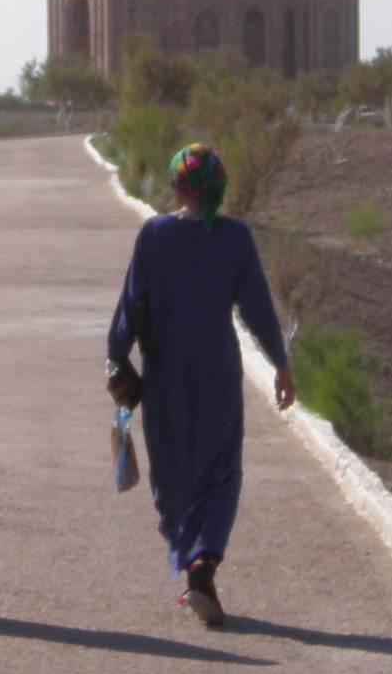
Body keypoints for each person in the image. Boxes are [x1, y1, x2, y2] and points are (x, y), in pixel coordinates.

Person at [106, 143, 294, 628]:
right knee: (220, 469)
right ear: (218, 189)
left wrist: (115, 357)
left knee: (172, 469)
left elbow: (131, 302)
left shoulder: (155, 234)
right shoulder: (235, 238)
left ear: (176, 186)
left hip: (166, 371)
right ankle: (202, 561)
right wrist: (280, 363)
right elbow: (257, 307)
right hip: (217, 371)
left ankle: (192, 558)